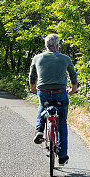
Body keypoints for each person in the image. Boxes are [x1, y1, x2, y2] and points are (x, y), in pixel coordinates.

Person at [28, 33, 78, 165]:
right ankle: (62, 156)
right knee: (62, 122)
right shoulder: (65, 58)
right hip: (60, 93)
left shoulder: (37, 57)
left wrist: (33, 88)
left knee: (42, 106)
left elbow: (32, 76)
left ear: (46, 45)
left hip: (43, 92)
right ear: (57, 45)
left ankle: (39, 129)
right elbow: (73, 75)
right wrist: (73, 89)